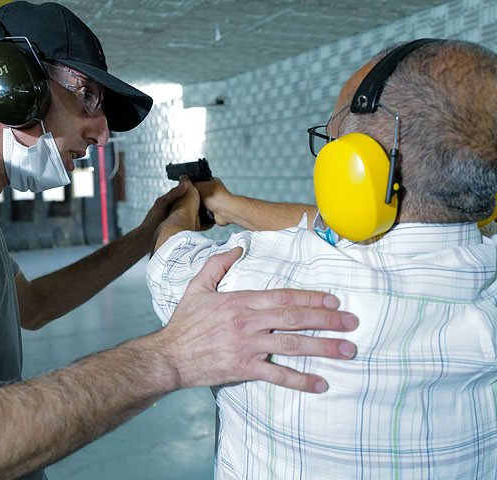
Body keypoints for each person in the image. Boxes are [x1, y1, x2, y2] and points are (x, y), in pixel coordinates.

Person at [0, 2, 360, 479]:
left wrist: (144, 236)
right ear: (10, 79)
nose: (100, 135)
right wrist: (170, 356)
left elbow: (30, 306)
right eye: (88, 98)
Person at [147, 38, 497, 478]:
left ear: (354, 169)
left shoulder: (255, 283)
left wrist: (186, 201)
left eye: (331, 142)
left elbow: (169, 254)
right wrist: (227, 203)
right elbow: (350, 227)